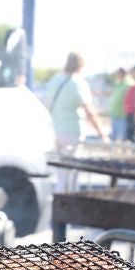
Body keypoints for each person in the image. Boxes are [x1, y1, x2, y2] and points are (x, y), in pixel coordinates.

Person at [45, 51, 109, 191]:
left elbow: (47, 106)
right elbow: (89, 112)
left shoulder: (55, 80)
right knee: (73, 172)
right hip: (72, 132)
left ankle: (58, 202)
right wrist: (102, 133)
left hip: (56, 131)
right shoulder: (78, 83)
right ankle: (71, 202)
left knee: (62, 173)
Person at [107, 67, 132, 142]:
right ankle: (114, 153)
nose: (117, 75)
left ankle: (122, 153)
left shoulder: (129, 84)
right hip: (114, 114)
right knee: (113, 137)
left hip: (122, 115)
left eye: (118, 73)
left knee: (122, 137)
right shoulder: (117, 84)